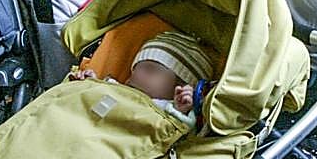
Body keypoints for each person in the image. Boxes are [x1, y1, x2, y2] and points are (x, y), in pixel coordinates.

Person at [72, 31, 215, 127]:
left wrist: (180, 111)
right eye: (136, 68)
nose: (137, 74)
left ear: (181, 87)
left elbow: (174, 133)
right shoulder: (116, 88)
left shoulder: (168, 109)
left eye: (150, 70)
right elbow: (94, 108)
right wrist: (90, 84)